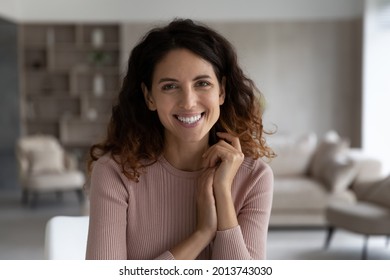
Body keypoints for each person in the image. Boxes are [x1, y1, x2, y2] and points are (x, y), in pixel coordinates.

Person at [85, 18, 274, 260]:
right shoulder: (115, 173)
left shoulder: (254, 177)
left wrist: (223, 194)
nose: (188, 102)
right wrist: (202, 233)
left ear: (222, 91)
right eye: (170, 87)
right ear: (149, 97)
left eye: (202, 83)